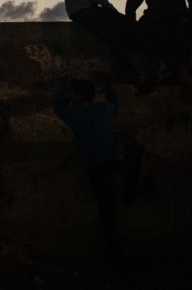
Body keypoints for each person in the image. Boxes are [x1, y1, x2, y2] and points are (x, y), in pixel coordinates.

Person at [54, 78, 124, 257]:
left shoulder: (75, 113)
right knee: (115, 203)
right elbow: (115, 102)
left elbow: (59, 108)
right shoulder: (104, 109)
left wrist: (67, 91)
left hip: (95, 165)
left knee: (106, 209)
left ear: (77, 96)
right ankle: (119, 247)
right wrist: (106, 86)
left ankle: (115, 250)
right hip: (115, 160)